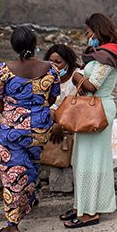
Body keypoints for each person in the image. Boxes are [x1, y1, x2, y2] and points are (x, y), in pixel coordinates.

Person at [0, 26, 60, 232]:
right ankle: (28, 201)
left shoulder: (2, 70)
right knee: (31, 165)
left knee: (12, 173)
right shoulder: (51, 69)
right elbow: (53, 97)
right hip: (40, 127)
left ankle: (12, 224)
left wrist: (12, 113)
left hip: (12, 129)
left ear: (14, 46)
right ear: (34, 44)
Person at [61, 13, 117, 229]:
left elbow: (92, 85)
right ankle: (82, 205)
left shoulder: (108, 55)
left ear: (98, 32)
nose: (86, 36)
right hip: (91, 108)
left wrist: (76, 76)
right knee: (82, 159)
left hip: (97, 108)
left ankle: (90, 212)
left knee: (91, 161)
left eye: (88, 32)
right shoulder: (102, 54)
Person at [44, 43, 81, 193]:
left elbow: (76, 107)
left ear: (68, 62)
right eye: (51, 62)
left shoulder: (76, 76)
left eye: (58, 62)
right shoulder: (48, 77)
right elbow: (48, 103)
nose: (55, 66)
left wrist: (60, 124)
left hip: (74, 120)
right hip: (56, 117)